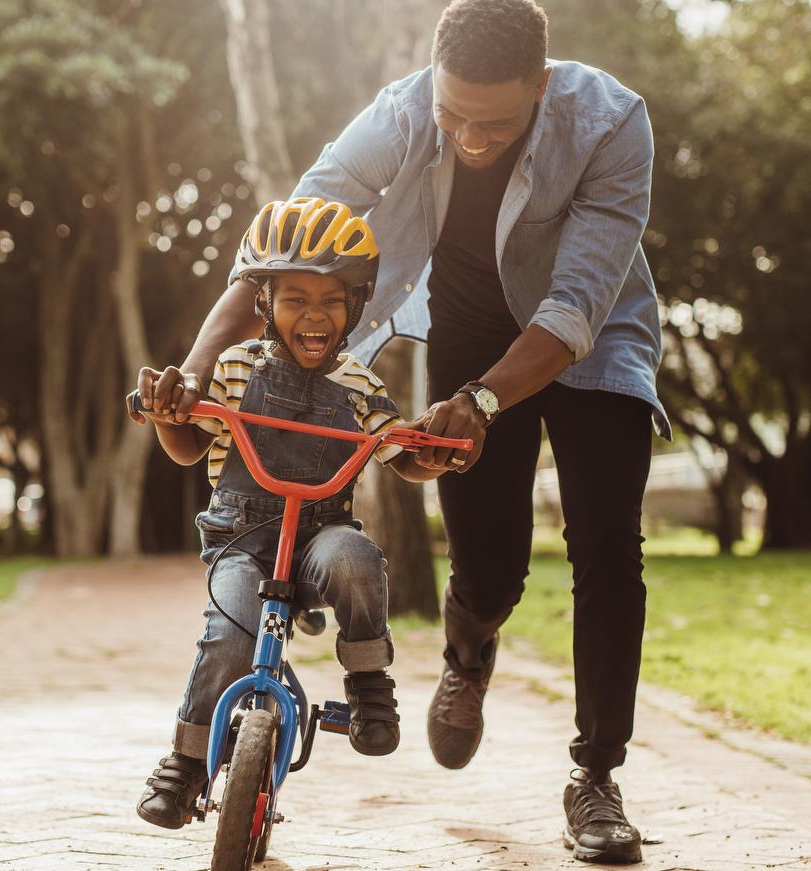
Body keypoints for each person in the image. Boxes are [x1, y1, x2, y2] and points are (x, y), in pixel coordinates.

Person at [163, 0, 666, 862]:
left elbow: (575, 306)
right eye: (453, 113)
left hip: (590, 340)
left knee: (607, 540)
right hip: (469, 331)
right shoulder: (400, 112)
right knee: (491, 564)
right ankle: (470, 650)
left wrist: (483, 400)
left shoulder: (612, 123)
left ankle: (596, 776)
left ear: (540, 86)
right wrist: (202, 361)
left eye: (496, 120)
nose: (471, 138)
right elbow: (287, 242)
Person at [126, 197, 447, 830]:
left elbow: (397, 450)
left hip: (320, 538)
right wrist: (169, 416)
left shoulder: (359, 383)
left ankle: (368, 684)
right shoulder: (234, 368)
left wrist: (429, 453)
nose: (314, 315)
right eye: (295, 298)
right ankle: (186, 764)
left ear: (355, 307)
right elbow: (191, 446)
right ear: (264, 304)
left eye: (331, 300)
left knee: (357, 561)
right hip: (242, 539)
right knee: (230, 634)